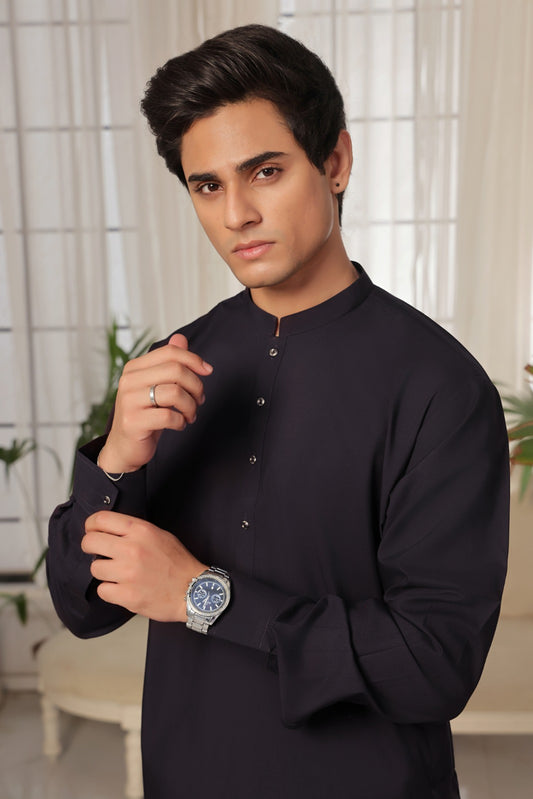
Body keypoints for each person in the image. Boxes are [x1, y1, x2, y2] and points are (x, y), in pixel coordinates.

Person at [47, 24, 509, 799]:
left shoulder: (440, 386)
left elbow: (433, 665)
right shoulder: (176, 364)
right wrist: (118, 456)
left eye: (264, 171)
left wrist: (202, 593)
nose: (236, 213)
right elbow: (80, 607)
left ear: (335, 162)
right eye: (206, 186)